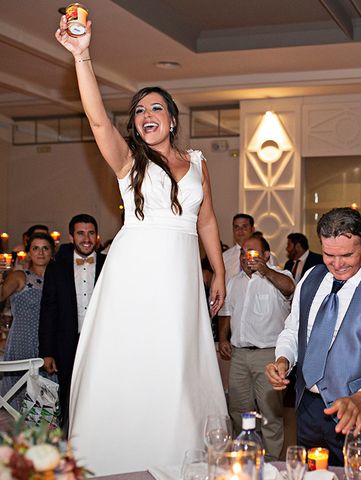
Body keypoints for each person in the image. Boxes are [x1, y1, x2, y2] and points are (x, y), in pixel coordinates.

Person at [55, 15, 227, 475]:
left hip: (181, 274)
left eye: (155, 109)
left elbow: (207, 220)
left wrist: (220, 272)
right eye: (139, 111)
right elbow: (95, 117)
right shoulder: (128, 161)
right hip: (136, 269)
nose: (146, 117)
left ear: (172, 119)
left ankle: (173, 455)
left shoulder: (197, 164)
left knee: (176, 360)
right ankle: (117, 454)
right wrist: (82, 55)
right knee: (133, 353)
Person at [266, 207, 361, 466]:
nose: (337, 264)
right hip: (308, 410)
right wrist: (283, 360)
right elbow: (293, 330)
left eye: (347, 254)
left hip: (360, 418)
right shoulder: (311, 277)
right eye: (328, 254)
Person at [219, 234, 295, 461]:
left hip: (269, 356)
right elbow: (226, 312)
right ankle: (246, 455)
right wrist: (223, 338)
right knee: (239, 410)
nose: (245, 256)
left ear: (266, 255)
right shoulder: (235, 281)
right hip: (239, 355)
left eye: (252, 252)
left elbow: (290, 288)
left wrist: (265, 271)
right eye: (243, 252)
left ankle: (272, 461)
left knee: (270, 413)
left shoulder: (280, 275)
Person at [39, 214, 104, 431]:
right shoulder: (56, 268)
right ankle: (69, 439)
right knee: (67, 391)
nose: (86, 238)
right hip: (67, 342)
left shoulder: (108, 265)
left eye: (91, 233)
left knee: (101, 389)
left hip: (101, 342)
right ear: (71, 237)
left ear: (97, 236)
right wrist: (47, 352)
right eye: (81, 233)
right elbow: (48, 311)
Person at [1, 233, 55, 408]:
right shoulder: (20, 276)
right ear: (29, 252)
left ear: (52, 252)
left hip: (48, 345)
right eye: (35, 248)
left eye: (45, 248)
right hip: (22, 342)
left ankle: (43, 435)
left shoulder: (59, 279)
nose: (40, 253)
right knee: (19, 397)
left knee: (47, 403)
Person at [223, 214, 256, 280]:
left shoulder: (263, 255)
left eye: (244, 226)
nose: (240, 230)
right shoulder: (224, 257)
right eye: (236, 227)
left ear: (252, 229)